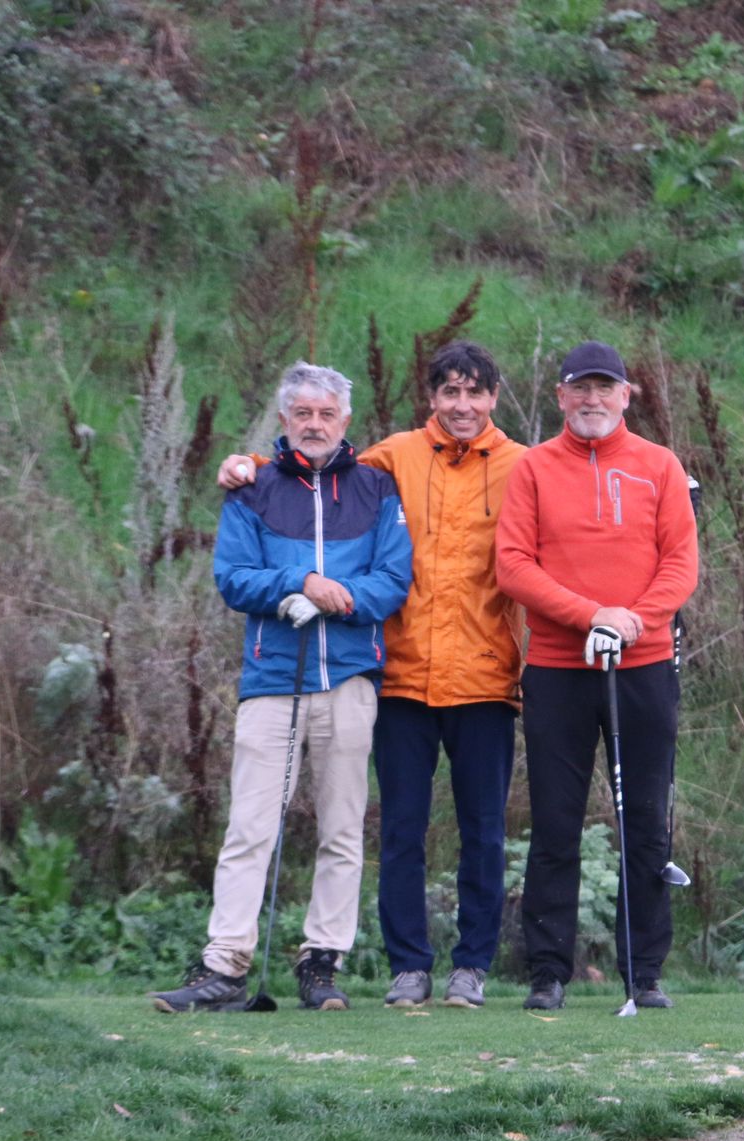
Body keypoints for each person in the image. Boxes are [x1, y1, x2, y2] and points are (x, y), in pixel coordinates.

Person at [219, 342, 524, 1008]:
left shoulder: (523, 467)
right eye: (450, 392)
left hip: (486, 678)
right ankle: (407, 966)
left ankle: (472, 965)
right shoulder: (395, 456)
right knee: (400, 832)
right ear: (433, 398)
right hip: (402, 678)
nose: (463, 405)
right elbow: (316, 469)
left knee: (483, 833)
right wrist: (250, 466)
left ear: (495, 397)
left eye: (475, 393)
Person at [152, 362, 413, 1012]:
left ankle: (321, 964)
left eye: (327, 414)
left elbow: (394, 580)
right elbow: (234, 577)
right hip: (273, 679)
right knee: (250, 826)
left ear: (345, 421)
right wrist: (296, 584)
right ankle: (225, 966)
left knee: (343, 829)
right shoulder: (253, 488)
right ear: (285, 421)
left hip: (349, 679)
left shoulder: (376, 489)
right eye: (304, 415)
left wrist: (339, 598)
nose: (316, 424)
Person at [494, 340, 698, 1010]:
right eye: (580, 388)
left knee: (644, 820)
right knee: (554, 822)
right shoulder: (532, 469)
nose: (592, 399)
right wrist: (592, 617)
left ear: (626, 395)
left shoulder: (659, 466)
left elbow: (680, 566)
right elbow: (514, 566)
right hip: (558, 668)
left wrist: (632, 621)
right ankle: (548, 972)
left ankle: (645, 974)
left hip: (642, 668)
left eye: (604, 388)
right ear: (559, 397)